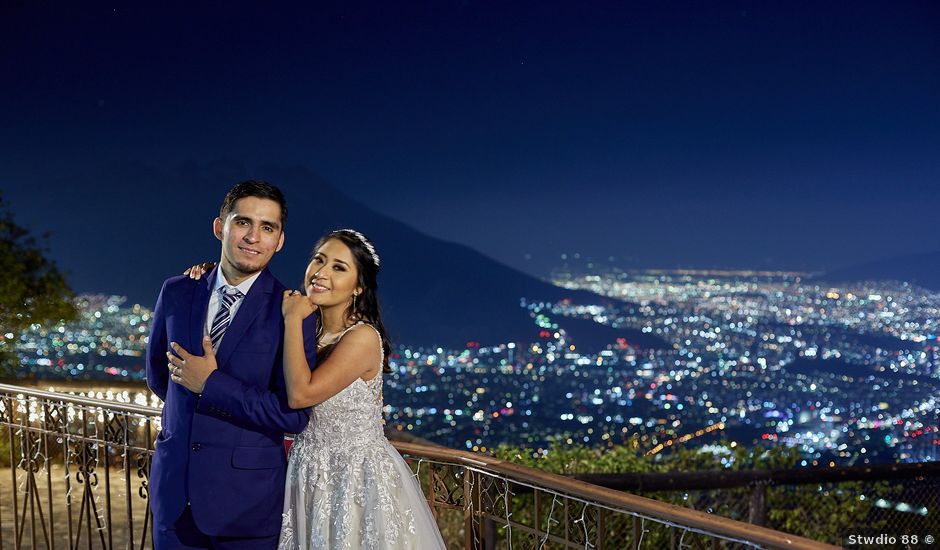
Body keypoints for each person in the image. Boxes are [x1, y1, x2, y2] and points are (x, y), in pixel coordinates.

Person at [149, 181, 317, 549]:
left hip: (246, 505)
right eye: (243, 223)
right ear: (219, 227)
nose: (253, 237)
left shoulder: (292, 312)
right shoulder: (177, 291)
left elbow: (294, 416)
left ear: (280, 240)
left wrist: (211, 385)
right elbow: (160, 378)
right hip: (173, 497)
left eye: (267, 227)